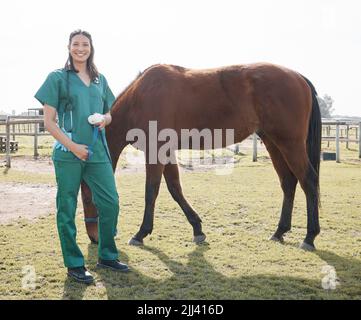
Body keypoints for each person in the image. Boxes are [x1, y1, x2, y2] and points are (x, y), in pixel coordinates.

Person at [35, 29, 129, 284]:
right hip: (68, 153)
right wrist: (73, 146)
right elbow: (49, 122)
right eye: (76, 44)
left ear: (91, 48)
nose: (80, 48)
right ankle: (74, 264)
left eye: (85, 44)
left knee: (110, 202)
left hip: (98, 152)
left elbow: (109, 114)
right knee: (67, 207)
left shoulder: (101, 80)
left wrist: (104, 119)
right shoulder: (57, 78)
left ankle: (107, 255)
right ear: (68, 47)